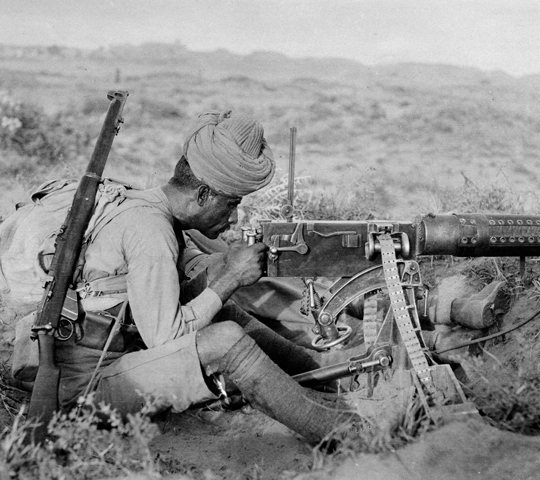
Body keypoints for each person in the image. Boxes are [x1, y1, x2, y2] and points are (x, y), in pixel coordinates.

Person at [52, 111, 359, 446]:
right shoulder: (150, 230)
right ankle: (345, 437)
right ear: (202, 195)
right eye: (231, 205)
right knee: (224, 339)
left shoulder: (151, 208)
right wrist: (229, 280)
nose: (234, 217)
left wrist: (221, 277)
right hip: (86, 389)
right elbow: (164, 337)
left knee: (215, 298)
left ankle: (326, 369)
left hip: (116, 362)